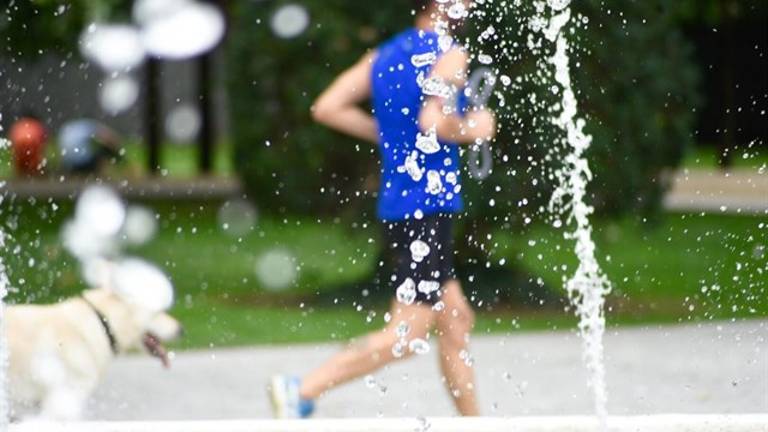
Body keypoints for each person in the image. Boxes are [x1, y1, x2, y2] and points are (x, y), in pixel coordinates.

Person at [269, 0, 496, 418]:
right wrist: (473, 129)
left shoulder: (384, 55)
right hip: (425, 209)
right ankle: (301, 389)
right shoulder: (449, 53)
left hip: (403, 208)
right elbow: (434, 122)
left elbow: (327, 107)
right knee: (406, 336)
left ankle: (475, 425)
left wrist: (390, 140)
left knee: (456, 320)